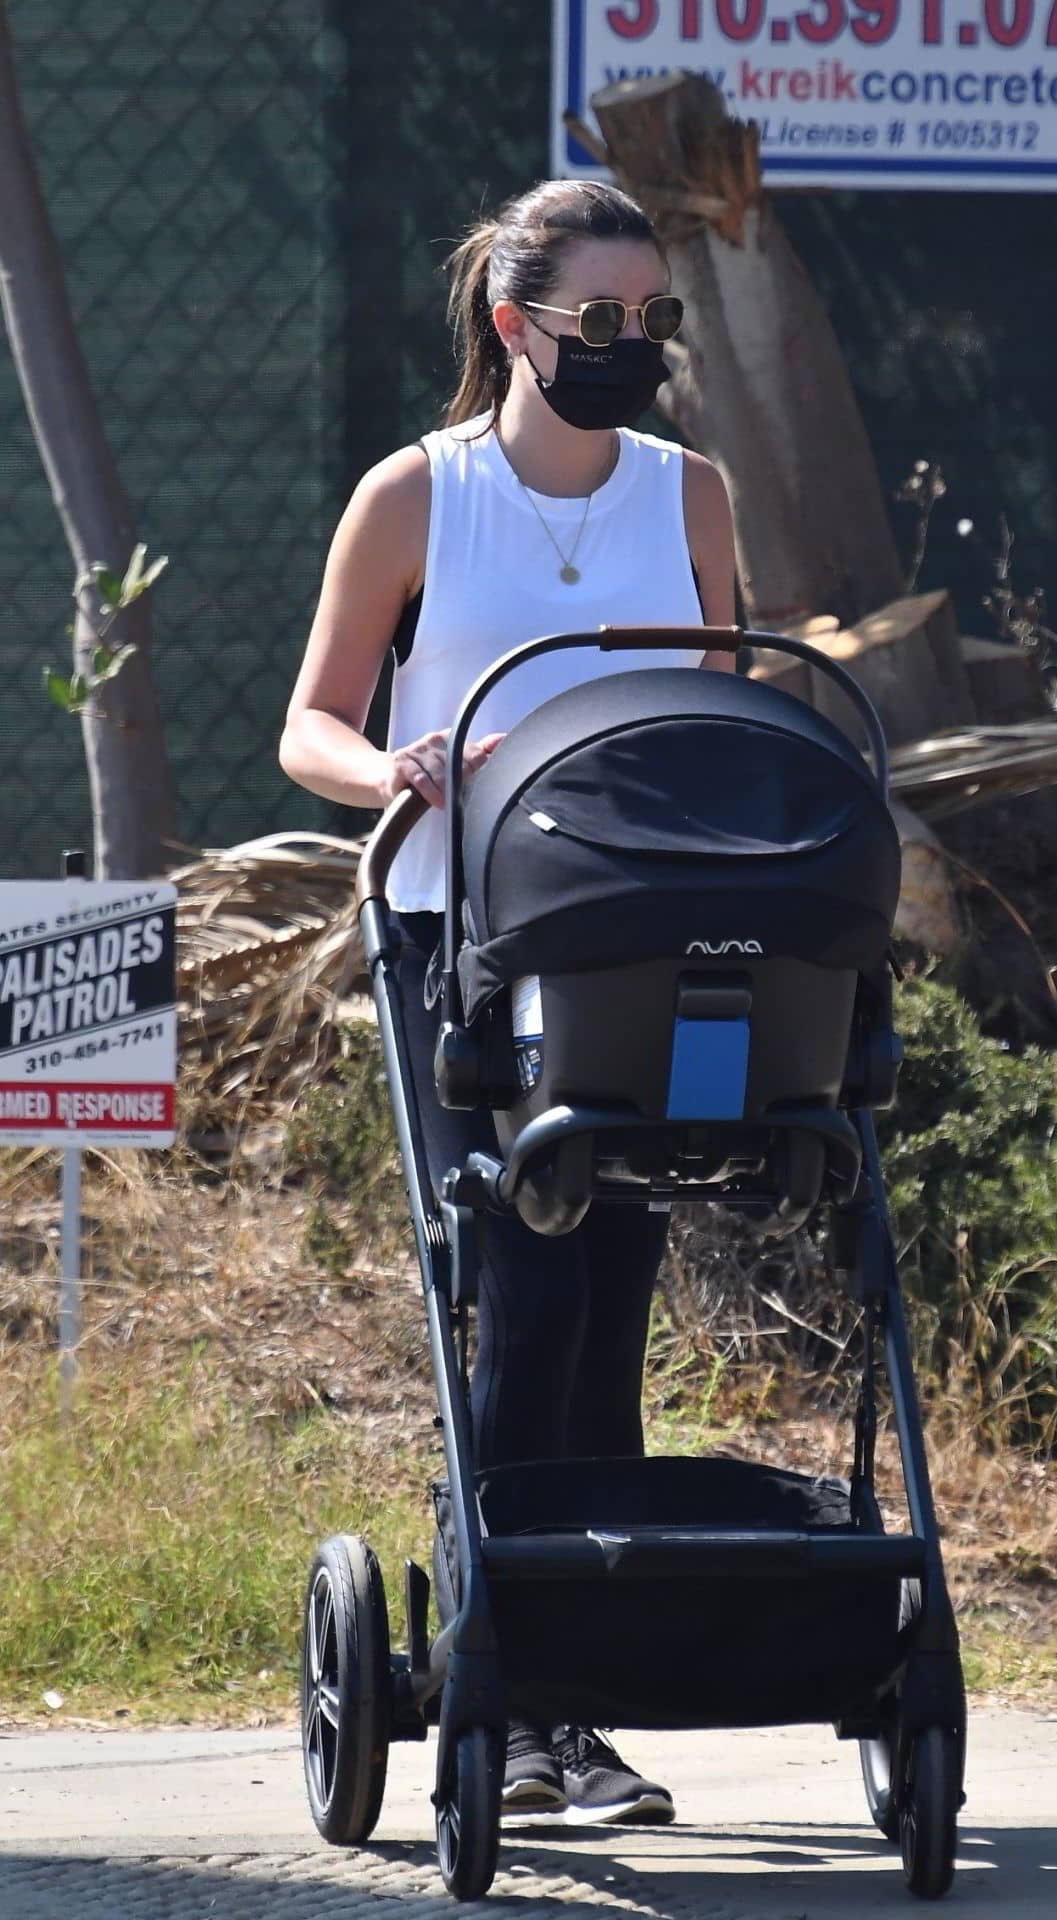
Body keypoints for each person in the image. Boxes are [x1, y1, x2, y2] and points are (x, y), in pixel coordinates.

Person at [279, 179, 738, 1827]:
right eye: (595, 321)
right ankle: (516, 1687)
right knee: (528, 1282)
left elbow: (728, 701)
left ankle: (573, 1695)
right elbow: (311, 724)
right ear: (512, 326)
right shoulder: (419, 496)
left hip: (647, 938)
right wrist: (395, 768)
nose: (628, 347)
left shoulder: (691, 495)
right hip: (462, 938)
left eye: (652, 322)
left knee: (614, 1277)